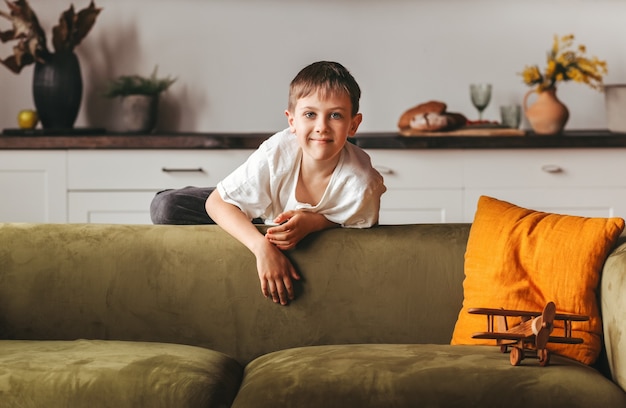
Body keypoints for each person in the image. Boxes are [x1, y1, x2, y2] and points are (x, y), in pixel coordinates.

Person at [205, 61, 386, 306]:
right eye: (310, 114)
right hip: (255, 206)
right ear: (292, 121)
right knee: (167, 206)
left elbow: (354, 221)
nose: (321, 127)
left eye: (335, 115)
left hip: (271, 218)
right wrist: (261, 248)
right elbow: (216, 203)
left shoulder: (362, 184)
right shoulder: (277, 151)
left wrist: (314, 222)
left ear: (353, 124)